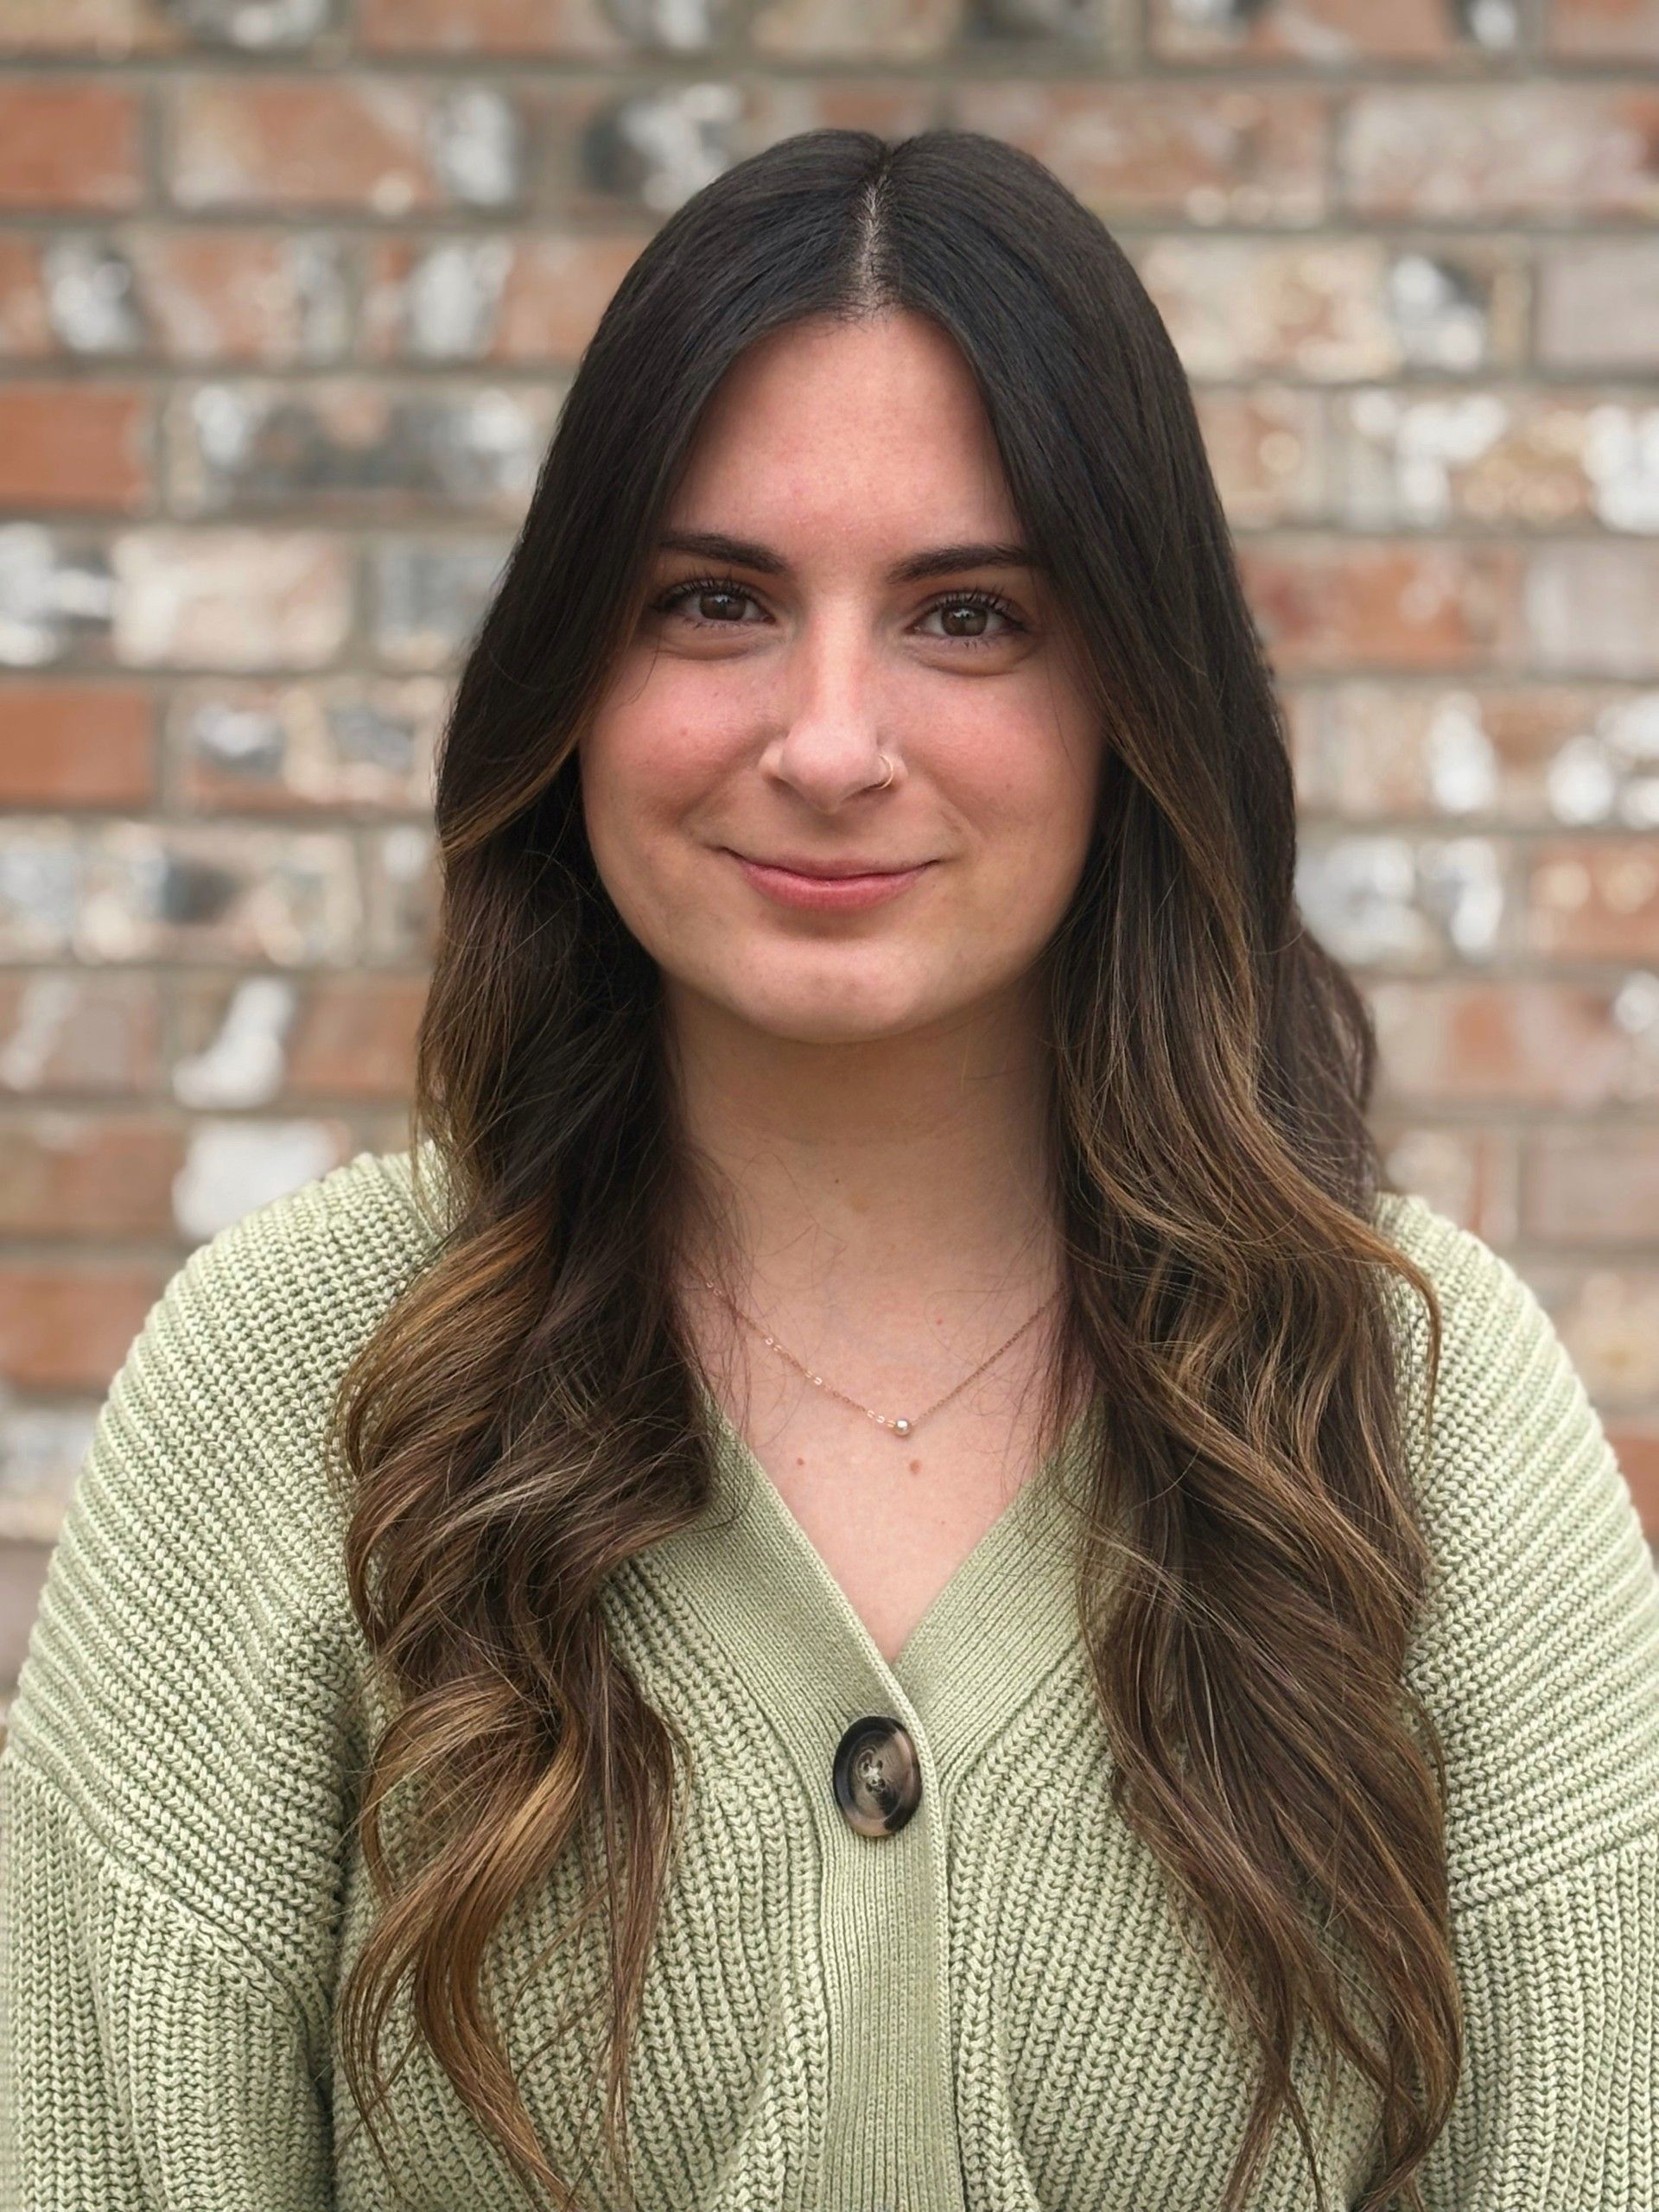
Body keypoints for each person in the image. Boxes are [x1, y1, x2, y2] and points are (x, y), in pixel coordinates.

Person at [3, 126, 1656, 2212]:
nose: (831, 737)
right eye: (715, 601)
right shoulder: (292, 1384)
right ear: (572, 677)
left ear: (1135, 692)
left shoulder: (1413, 1406)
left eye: (968, 615)